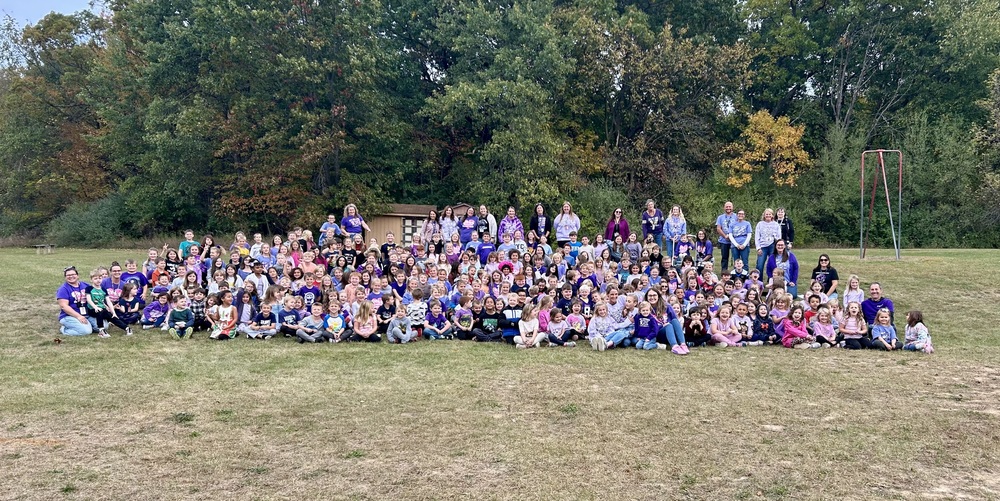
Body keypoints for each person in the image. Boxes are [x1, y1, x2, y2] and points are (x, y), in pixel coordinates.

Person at [56, 266, 98, 336]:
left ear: (77, 276)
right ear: (65, 277)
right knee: (86, 331)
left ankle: (85, 325)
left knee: (102, 326)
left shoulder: (86, 285)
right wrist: (78, 316)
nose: (71, 276)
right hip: (70, 315)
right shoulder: (63, 289)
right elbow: (64, 306)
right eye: (68, 275)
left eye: (73, 274)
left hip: (87, 314)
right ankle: (64, 329)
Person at [754, 208, 781, 274]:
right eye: (766, 214)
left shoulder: (776, 224)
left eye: (770, 214)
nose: (768, 215)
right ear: (764, 215)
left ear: (772, 215)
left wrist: (776, 239)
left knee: (772, 264)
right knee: (760, 265)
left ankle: (771, 280)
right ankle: (759, 281)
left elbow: (779, 238)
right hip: (762, 247)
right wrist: (758, 248)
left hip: (772, 246)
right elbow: (757, 237)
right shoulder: (760, 224)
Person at [715, 202, 737, 271]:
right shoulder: (720, 217)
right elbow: (718, 228)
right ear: (724, 208)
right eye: (727, 207)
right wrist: (725, 236)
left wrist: (731, 236)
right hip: (724, 240)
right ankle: (724, 272)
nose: (728, 208)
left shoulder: (736, 216)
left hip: (734, 240)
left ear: (732, 207)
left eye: (729, 206)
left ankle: (736, 272)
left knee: (735, 257)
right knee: (724, 257)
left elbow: (739, 227)